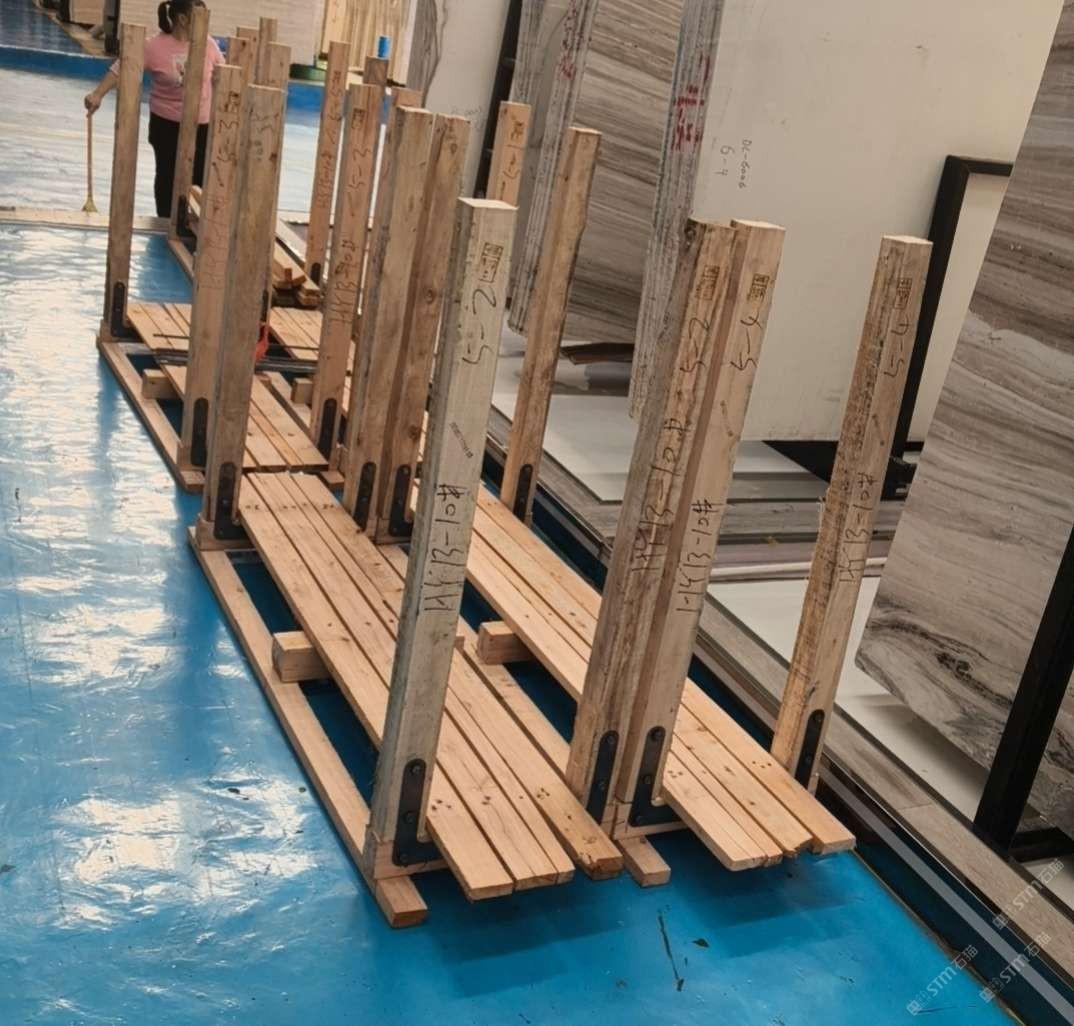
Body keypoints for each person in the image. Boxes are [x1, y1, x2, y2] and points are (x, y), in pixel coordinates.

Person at [84, 0, 225, 216]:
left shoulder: (209, 44)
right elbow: (123, 66)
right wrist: (97, 94)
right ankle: (166, 219)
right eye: (200, 18)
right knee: (167, 174)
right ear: (182, 19)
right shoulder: (154, 46)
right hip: (166, 124)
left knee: (199, 177)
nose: (206, 24)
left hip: (201, 124)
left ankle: (194, 222)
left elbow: (224, 72)